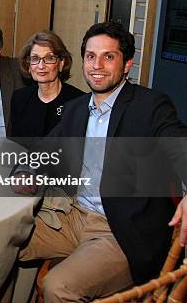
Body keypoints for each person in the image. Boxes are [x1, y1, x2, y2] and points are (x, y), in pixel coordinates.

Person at [16, 22, 187, 302]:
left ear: (127, 63)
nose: (97, 65)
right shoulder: (76, 109)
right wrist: (24, 171)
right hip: (71, 217)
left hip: (119, 230)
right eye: (91, 56)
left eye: (109, 56)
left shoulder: (150, 106)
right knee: (1, 244)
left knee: (58, 287)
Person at [10, 31, 84, 138]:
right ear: (28, 65)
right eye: (35, 59)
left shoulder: (79, 102)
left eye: (49, 58)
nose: (41, 66)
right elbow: (16, 145)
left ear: (61, 63)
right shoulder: (19, 98)